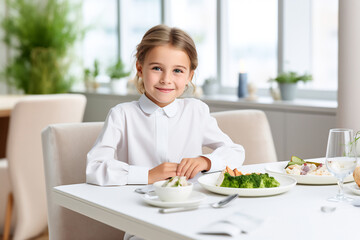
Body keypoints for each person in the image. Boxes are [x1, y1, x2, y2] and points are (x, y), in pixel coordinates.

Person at [86, 24, 245, 187]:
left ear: (189, 76)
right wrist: (148, 175)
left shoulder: (196, 111)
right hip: (137, 204)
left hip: (191, 203)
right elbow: (94, 168)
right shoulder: (122, 115)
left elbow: (235, 152)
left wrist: (205, 161)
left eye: (177, 71)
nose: (166, 79)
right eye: (157, 68)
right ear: (140, 69)